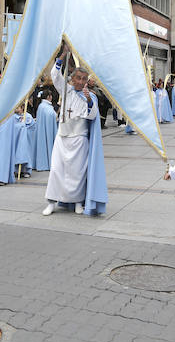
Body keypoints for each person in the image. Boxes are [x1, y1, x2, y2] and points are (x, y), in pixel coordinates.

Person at [42, 47, 106, 216]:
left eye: (84, 79)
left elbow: (93, 117)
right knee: (56, 170)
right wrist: (62, 56)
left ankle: (78, 202)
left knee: (77, 173)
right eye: (78, 78)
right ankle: (51, 202)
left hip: (79, 139)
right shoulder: (66, 89)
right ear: (72, 78)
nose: (80, 81)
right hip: (62, 136)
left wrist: (89, 101)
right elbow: (55, 76)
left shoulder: (90, 96)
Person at [32, 89, 57, 172]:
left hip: (43, 130)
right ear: (49, 97)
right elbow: (51, 115)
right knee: (48, 143)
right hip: (48, 129)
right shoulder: (46, 106)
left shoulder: (41, 106)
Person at [12, 103, 35, 180]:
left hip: (26, 140)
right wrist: (20, 126)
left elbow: (31, 127)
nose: (16, 109)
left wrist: (24, 128)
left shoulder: (28, 116)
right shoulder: (13, 117)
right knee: (16, 153)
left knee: (25, 153)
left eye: (17, 107)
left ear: (22, 108)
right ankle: (16, 170)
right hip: (16, 139)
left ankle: (26, 170)